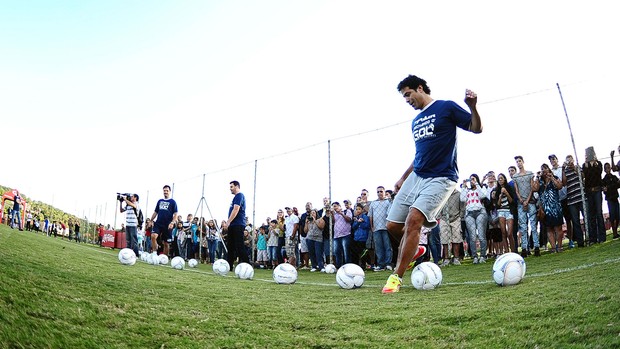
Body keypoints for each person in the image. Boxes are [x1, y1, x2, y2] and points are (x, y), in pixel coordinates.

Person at [382, 75, 482, 294]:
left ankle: (396, 278)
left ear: (420, 88)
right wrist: (403, 177)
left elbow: (475, 128)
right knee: (392, 225)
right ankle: (415, 249)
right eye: (404, 97)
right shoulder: (416, 121)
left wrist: (472, 107)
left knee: (414, 220)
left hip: (441, 177)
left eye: (408, 94)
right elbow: (420, 154)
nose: (407, 100)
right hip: (416, 176)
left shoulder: (445, 107)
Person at [513, 155, 540, 257]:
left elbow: (532, 187)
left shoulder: (530, 174)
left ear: (523, 162)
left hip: (530, 201)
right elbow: (516, 190)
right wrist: (521, 200)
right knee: (523, 227)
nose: (519, 163)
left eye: (520, 161)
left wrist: (527, 200)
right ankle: (524, 248)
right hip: (521, 203)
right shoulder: (515, 176)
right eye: (517, 162)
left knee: (533, 225)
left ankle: (536, 247)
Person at [460, 174, 489, 264]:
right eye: (471, 179)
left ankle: (483, 256)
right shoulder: (467, 191)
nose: (471, 181)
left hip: (480, 212)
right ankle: (475, 256)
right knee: (472, 237)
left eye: (473, 179)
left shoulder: (481, 188)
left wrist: (477, 184)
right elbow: (462, 199)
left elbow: (482, 195)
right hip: (469, 213)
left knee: (481, 235)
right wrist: (464, 187)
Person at [222, 180, 249, 269]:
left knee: (239, 246)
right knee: (230, 246)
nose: (230, 189)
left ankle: (247, 265)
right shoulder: (235, 197)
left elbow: (236, 209)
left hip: (238, 224)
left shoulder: (239, 196)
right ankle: (229, 266)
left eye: (231, 187)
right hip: (233, 225)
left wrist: (228, 221)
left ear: (237, 186)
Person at [538, 163, 564, 252]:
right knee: (549, 228)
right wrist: (537, 177)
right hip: (545, 207)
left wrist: (552, 177)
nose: (544, 170)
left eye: (545, 168)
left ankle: (560, 246)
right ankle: (553, 247)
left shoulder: (555, 177)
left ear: (549, 169)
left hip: (555, 206)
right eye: (542, 169)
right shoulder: (540, 181)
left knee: (558, 228)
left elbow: (560, 186)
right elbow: (534, 188)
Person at [582, 147, 606, 243]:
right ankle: (593, 238)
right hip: (589, 191)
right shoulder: (585, 165)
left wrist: (594, 164)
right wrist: (588, 164)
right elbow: (586, 177)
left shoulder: (598, 164)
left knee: (599, 213)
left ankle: (602, 237)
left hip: (597, 190)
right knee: (591, 215)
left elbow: (598, 173)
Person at [369, 186, 393, 271]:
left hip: (386, 227)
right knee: (379, 247)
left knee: (387, 246)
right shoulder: (373, 203)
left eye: (381, 191)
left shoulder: (388, 202)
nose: (379, 193)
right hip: (376, 228)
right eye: (378, 192)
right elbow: (370, 215)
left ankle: (388, 263)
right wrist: (372, 226)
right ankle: (380, 264)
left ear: (384, 192)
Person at [150, 185, 178, 256]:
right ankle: (154, 252)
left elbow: (175, 214)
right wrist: (151, 220)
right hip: (159, 223)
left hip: (168, 224)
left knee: (166, 243)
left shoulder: (173, 202)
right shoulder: (160, 201)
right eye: (164, 191)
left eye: (167, 191)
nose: (165, 192)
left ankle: (164, 258)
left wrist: (172, 222)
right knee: (153, 236)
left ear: (169, 191)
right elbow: (156, 212)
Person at [492, 173, 517, 253]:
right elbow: (497, 205)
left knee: (510, 233)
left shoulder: (509, 188)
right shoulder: (496, 190)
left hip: (509, 211)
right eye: (498, 179)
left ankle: (513, 251)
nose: (500, 180)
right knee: (503, 233)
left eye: (501, 178)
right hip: (501, 212)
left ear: (505, 179)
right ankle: (506, 251)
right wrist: (499, 197)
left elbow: (512, 201)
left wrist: (506, 193)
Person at [438, 188, 463, 266]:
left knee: (456, 238)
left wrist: (460, 216)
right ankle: (446, 258)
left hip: (456, 218)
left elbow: (462, 206)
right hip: (444, 218)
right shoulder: (442, 193)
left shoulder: (458, 194)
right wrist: (440, 216)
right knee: (444, 239)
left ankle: (456, 258)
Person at [602, 162, 620, 239]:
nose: (608, 169)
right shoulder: (604, 180)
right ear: (604, 170)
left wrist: (609, 187)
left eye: (609, 167)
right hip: (610, 199)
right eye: (606, 168)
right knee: (613, 216)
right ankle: (614, 233)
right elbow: (605, 190)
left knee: (618, 215)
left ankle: (616, 231)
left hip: (615, 198)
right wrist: (612, 186)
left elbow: (618, 185)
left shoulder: (614, 177)